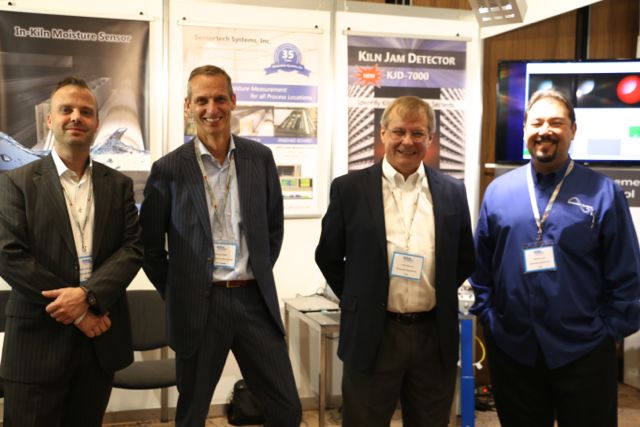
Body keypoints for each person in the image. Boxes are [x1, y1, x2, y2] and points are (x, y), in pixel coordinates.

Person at [140, 65, 301, 427]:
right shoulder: (168, 169)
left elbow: (272, 229)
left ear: (233, 101)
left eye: (219, 99)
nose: (211, 108)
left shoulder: (259, 158)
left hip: (253, 300)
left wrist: (255, 270)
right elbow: (149, 247)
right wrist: (179, 290)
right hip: (200, 305)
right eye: (202, 100)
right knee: (192, 412)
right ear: (188, 106)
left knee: (287, 409)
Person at [470, 89, 640, 426]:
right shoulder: (499, 192)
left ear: (573, 130)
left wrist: (608, 332)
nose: (545, 130)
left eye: (556, 122)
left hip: (584, 350)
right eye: (536, 123)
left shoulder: (604, 193)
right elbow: (481, 267)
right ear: (524, 130)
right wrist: (490, 318)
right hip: (514, 349)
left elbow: (626, 272)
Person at [315, 96, 475, 426]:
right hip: (374, 333)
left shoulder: (452, 191)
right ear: (383, 133)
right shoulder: (349, 189)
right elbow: (328, 256)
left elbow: (465, 258)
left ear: (430, 138)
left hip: (433, 335)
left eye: (418, 133)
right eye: (399, 131)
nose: (407, 141)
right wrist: (360, 298)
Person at [0, 76, 143, 426]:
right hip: (37, 344)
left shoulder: (119, 185)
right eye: (66, 110)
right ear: (50, 120)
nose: (76, 117)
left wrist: (89, 296)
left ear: (97, 122)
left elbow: (132, 248)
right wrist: (79, 312)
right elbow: (9, 255)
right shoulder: (15, 182)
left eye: (86, 111)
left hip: (98, 346)